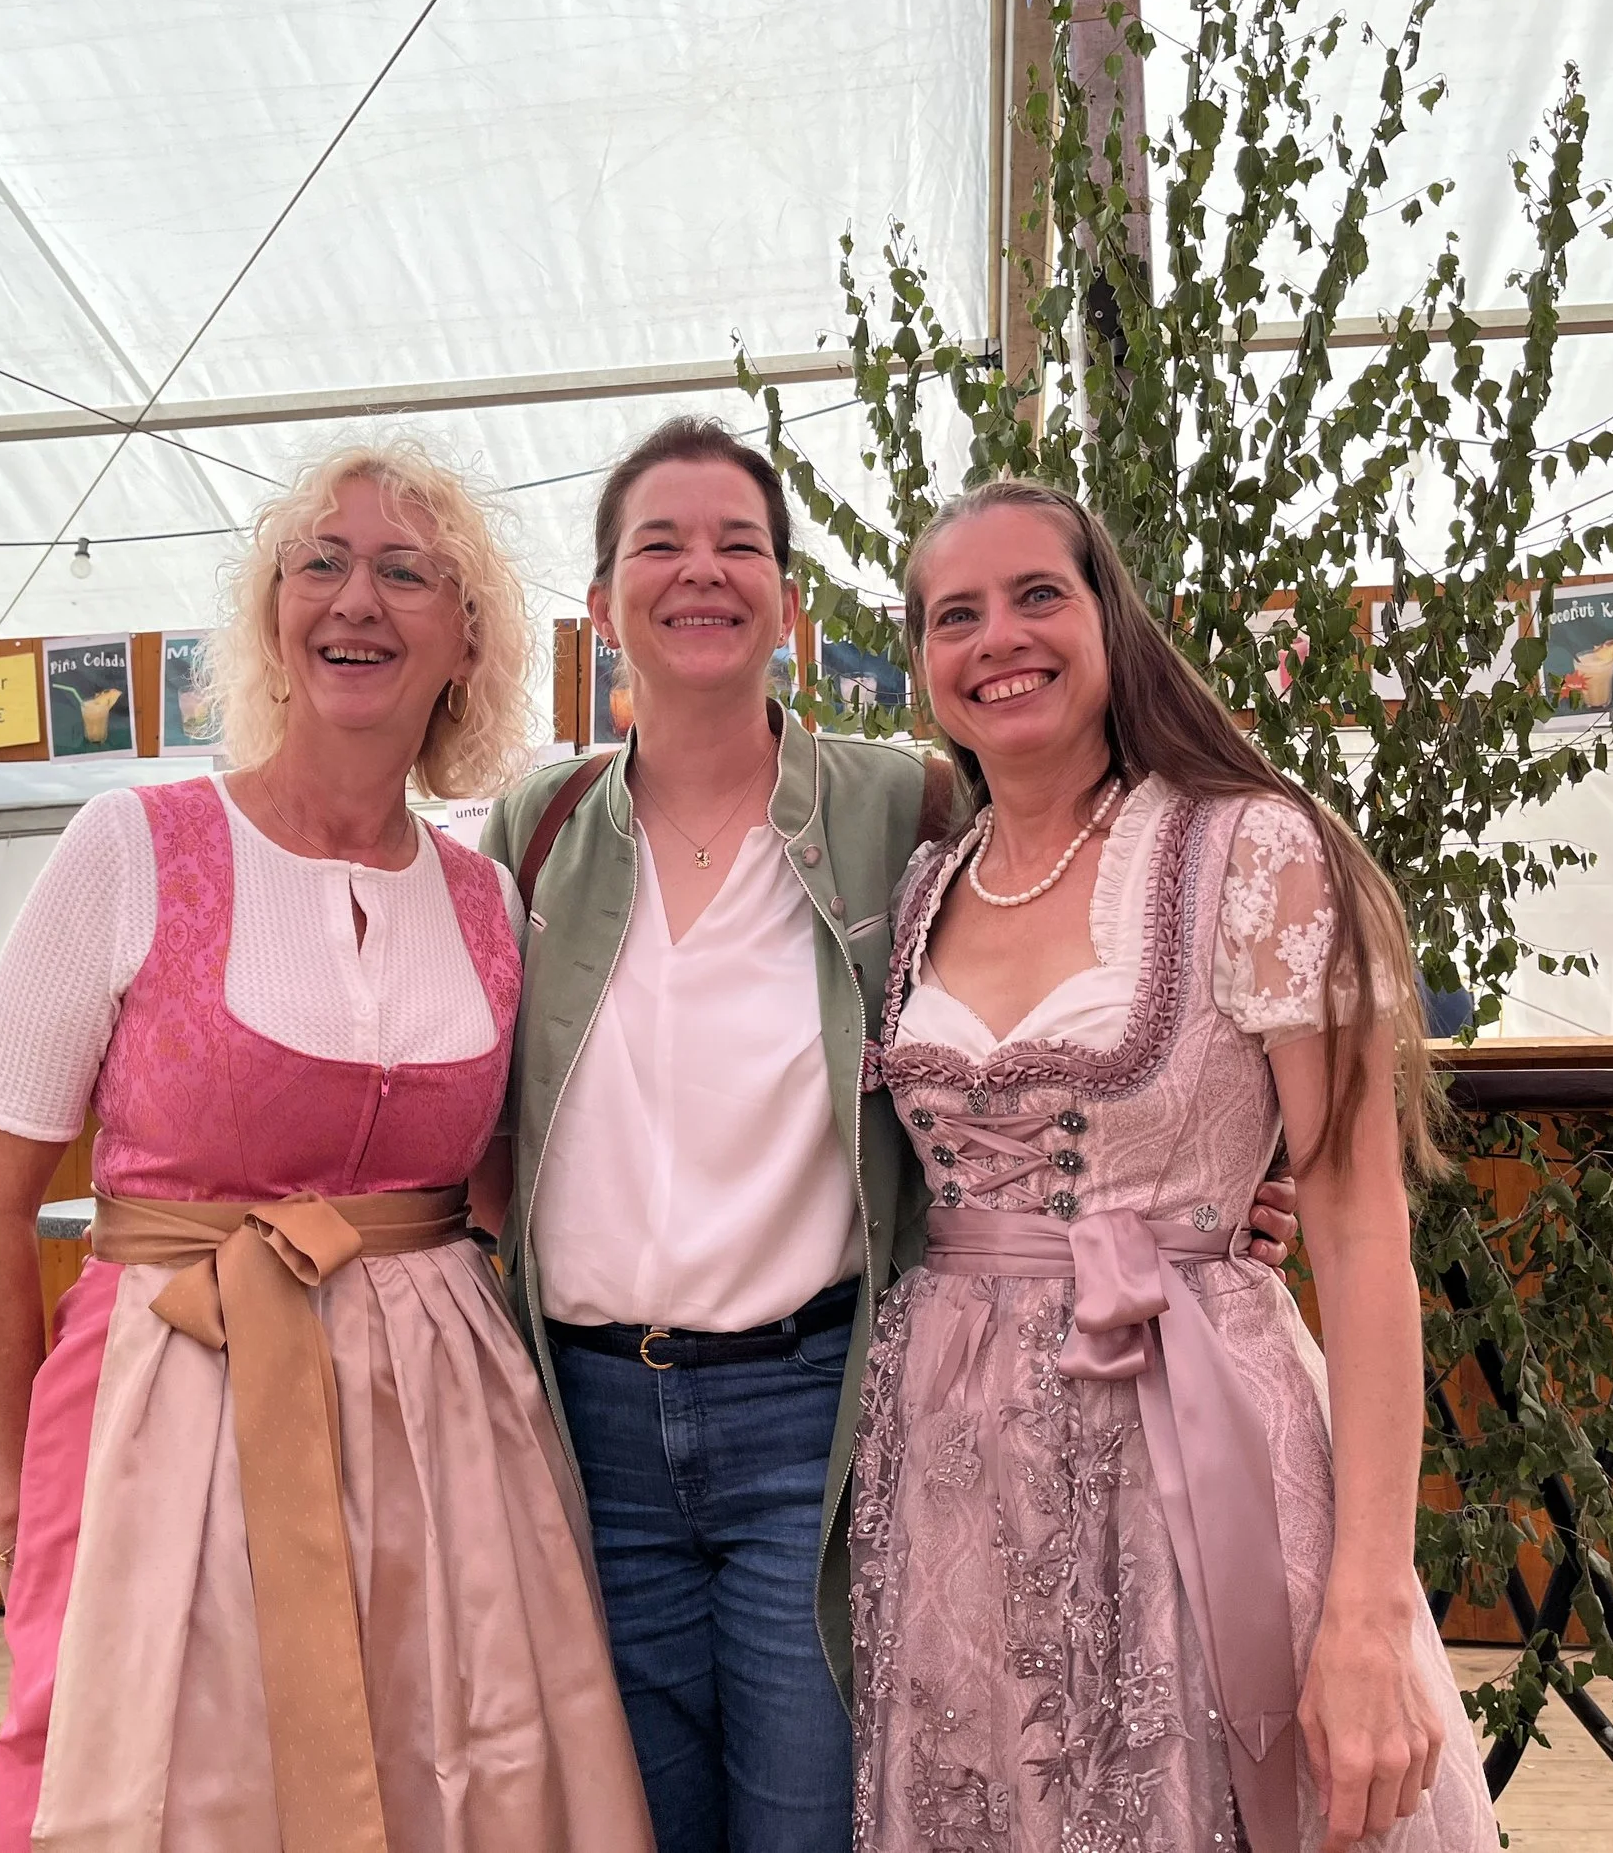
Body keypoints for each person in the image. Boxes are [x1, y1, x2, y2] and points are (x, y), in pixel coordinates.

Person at [477, 419, 1299, 1853]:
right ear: (601, 603)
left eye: (740, 543)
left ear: (793, 600)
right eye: (657, 544)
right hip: (592, 1418)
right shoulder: (536, 830)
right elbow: (466, 1089)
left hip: (820, 1409)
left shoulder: (899, 804)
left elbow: (1082, 976)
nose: (701, 571)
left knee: (818, 1813)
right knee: (629, 1817)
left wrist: (1233, 1177)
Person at [0, 444, 652, 1852]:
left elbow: (516, 1183)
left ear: (466, 638)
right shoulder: (131, 845)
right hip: (171, 1398)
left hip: (439, 1433)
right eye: (320, 561)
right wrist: (16, 1484)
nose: (357, 598)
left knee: (447, 1759)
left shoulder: (487, 896)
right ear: (274, 615)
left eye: (407, 570)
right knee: (175, 1778)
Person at [848, 481, 1497, 1853]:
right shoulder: (923, 887)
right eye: (953, 614)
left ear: (1108, 620)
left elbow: (1363, 1231)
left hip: (1196, 1438)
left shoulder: (1251, 848)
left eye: (1038, 594)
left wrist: (1375, 1596)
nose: (998, 637)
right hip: (958, 1476)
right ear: (922, 663)